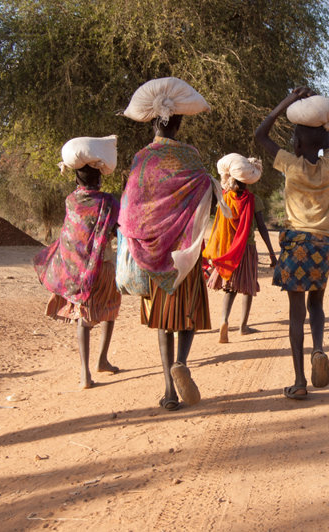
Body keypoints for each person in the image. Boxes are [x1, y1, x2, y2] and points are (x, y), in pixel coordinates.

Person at [119, 78, 228, 410]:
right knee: (188, 317)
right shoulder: (190, 156)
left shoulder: (142, 158)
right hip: (185, 254)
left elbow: (131, 206)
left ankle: (168, 389)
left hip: (154, 256)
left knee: (162, 324)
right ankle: (182, 361)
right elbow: (203, 195)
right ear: (179, 121)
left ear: (153, 121)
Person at [255, 87, 329, 400]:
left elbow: (260, 134)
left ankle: (300, 380)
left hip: (296, 244)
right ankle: (318, 349)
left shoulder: (290, 165)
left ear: (295, 143)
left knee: (295, 314)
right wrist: (323, 115)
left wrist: (288, 101)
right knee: (316, 304)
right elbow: (327, 141)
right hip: (323, 243)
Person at [33, 140, 121, 390]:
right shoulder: (108, 202)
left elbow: (71, 234)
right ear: (99, 179)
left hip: (76, 270)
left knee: (83, 315)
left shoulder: (71, 200)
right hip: (102, 266)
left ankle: (85, 373)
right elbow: (117, 229)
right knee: (110, 309)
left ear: (76, 180)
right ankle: (102, 359)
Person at [203, 154, 277, 343]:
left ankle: (224, 321)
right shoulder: (254, 200)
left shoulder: (225, 198)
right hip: (247, 248)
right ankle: (243, 326)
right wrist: (271, 251)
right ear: (248, 181)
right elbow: (261, 227)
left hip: (229, 249)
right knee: (247, 287)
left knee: (230, 288)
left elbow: (218, 227)